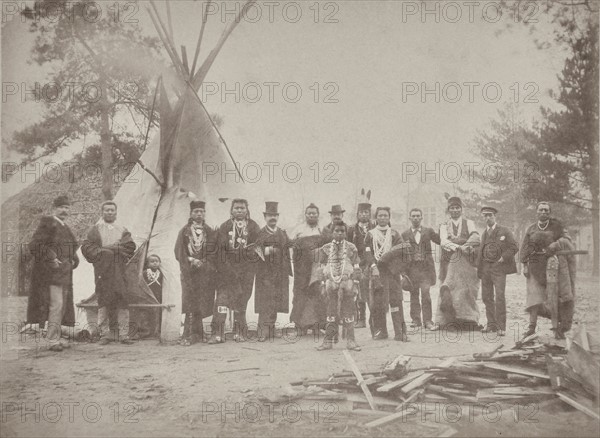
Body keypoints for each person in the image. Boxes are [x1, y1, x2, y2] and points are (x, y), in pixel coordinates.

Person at [26, 195, 80, 352]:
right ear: (54, 208)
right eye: (61, 207)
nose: (64, 210)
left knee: (62, 307)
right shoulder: (48, 222)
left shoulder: (65, 227)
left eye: (67, 207)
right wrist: (52, 258)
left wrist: (75, 259)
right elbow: (35, 245)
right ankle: (51, 340)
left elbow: (71, 247)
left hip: (65, 273)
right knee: (56, 306)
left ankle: (56, 336)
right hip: (50, 274)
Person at [82, 201, 136, 345]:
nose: (110, 212)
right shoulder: (95, 230)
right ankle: (105, 334)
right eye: (107, 210)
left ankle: (124, 334)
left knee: (122, 299)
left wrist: (106, 249)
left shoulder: (123, 230)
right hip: (103, 271)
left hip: (119, 271)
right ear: (102, 212)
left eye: (112, 210)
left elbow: (129, 247)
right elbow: (88, 248)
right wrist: (109, 250)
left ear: (116, 212)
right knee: (104, 300)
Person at [520, 202, 575, 339]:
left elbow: (567, 240)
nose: (543, 212)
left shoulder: (557, 226)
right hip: (534, 266)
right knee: (534, 297)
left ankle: (557, 328)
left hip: (553, 265)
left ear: (549, 212)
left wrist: (555, 245)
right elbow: (524, 248)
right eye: (541, 210)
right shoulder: (531, 228)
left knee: (554, 297)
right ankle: (531, 327)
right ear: (537, 212)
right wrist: (525, 265)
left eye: (546, 210)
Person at [210, 199, 260, 344]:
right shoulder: (225, 226)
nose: (239, 211)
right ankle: (217, 334)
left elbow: (257, 248)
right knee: (222, 301)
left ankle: (240, 332)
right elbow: (220, 250)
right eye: (236, 208)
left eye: (242, 208)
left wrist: (247, 265)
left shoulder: (253, 226)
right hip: (226, 271)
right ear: (231, 210)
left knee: (241, 301)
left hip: (246, 271)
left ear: (247, 210)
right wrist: (228, 269)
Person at [174, 201, 217, 346]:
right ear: (191, 213)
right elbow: (178, 251)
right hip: (189, 272)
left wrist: (203, 262)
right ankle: (187, 334)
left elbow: (214, 251)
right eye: (196, 211)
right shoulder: (185, 231)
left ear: (205, 213)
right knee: (189, 301)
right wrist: (191, 259)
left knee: (202, 301)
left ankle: (199, 333)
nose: (199, 214)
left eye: (201, 211)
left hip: (204, 272)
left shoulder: (210, 231)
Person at [316, 222, 362, 351]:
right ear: (332, 232)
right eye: (337, 231)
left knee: (348, 312)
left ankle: (351, 341)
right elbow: (320, 267)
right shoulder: (325, 248)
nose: (340, 233)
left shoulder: (352, 247)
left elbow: (357, 266)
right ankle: (328, 341)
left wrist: (355, 284)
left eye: (342, 231)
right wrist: (323, 284)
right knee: (331, 313)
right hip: (331, 284)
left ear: (346, 233)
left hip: (347, 284)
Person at [435, 197, 480, 330]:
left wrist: (465, 245)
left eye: (457, 208)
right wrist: (459, 247)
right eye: (452, 208)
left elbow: (476, 237)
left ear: (461, 209)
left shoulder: (469, 222)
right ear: (448, 210)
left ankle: (467, 321)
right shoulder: (444, 225)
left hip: (466, 262)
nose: (455, 210)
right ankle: (448, 322)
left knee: (465, 291)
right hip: (449, 262)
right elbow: (444, 242)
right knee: (448, 289)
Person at [364, 207, 408, 341]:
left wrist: (393, 265)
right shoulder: (370, 234)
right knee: (379, 302)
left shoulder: (394, 233)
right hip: (377, 272)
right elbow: (367, 253)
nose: (383, 218)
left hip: (392, 271)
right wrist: (373, 266)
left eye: (385, 216)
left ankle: (400, 331)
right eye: (380, 216)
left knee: (396, 301)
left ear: (389, 218)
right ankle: (381, 331)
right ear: (376, 218)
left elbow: (402, 250)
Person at [254, 202, 293, 342]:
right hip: (265, 274)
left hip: (280, 273)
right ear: (265, 217)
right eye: (270, 215)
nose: (273, 218)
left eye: (275, 215)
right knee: (265, 301)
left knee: (276, 300)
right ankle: (262, 331)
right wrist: (267, 250)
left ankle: (271, 329)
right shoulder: (261, 233)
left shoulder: (282, 233)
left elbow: (289, 246)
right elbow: (255, 250)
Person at [477, 206, 518, 337]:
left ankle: (501, 327)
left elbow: (514, 247)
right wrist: (480, 269)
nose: (487, 218)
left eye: (490, 215)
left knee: (499, 297)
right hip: (486, 269)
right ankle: (491, 324)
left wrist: (503, 257)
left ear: (495, 216)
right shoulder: (484, 234)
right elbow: (480, 253)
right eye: (485, 216)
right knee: (486, 297)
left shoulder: (504, 231)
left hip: (499, 269)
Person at [289, 203, 327, 334]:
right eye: (309, 213)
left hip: (316, 267)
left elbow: (328, 247)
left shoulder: (323, 229)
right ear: (305, 215)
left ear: (318, 215)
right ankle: (300, 326)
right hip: (301, 268)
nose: (312, 215)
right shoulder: (298, 230)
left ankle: (317, 325)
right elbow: (290, 244)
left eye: (314, 213)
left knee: (316, 293)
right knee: (300, 293)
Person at [401, 208, 441, 331]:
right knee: (413, 295)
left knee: (426, 294)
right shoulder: (404, 234)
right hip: (412, 269)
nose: (416, 218)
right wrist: (403, 271)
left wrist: (444, 229)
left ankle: (428, 321)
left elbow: (440, 240)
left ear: (422, 218)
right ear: (410, 218)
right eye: (413, 216)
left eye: (418, 216)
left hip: (425, 269)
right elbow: (402, 253)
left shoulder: (428, 231)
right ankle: (416, 320)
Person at [347, 202, 375, 328]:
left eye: (366, 212)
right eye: (361, 212)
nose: (364, 215)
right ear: (357, 214)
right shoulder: (352, 230)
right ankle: (361, 319)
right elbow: (348, 247)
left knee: (373, 291)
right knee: (359, 292)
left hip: (373, 263)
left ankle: (373, 319)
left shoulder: (375, 227)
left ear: (370, 214)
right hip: (358, 264)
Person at [143, 254, 163, 338]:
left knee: (157, 314)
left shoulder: (161, 273)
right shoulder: (145, 273)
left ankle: (156, 331)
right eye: (152, 261)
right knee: (147, 314)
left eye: (156, 261)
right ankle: (147, 332)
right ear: (147, 264)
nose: (155, 263)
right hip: (148, 296)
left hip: (158, 295)